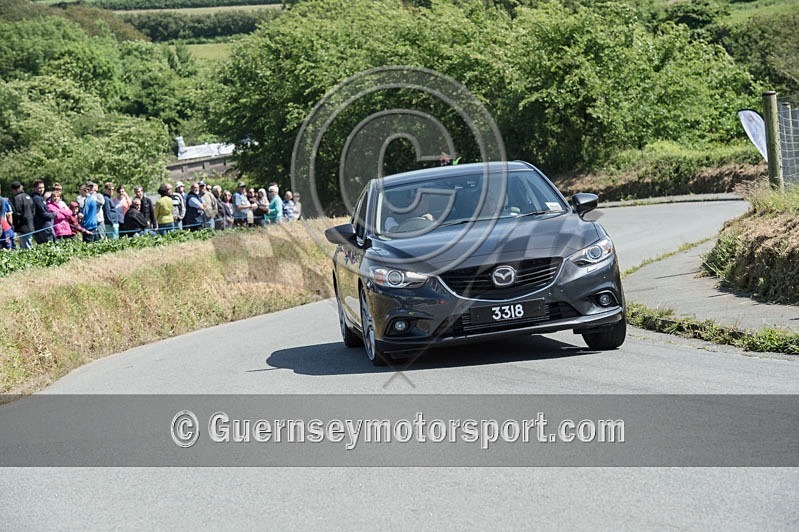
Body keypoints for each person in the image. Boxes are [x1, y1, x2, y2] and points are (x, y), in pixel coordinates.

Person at [11, 181, 35, 249]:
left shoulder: (17, 198)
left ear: (14, 189)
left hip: (22, 227)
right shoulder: (28, 196)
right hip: (30, 225)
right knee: (28, 243)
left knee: (26, 247)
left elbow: (17, 213)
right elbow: (33, 211)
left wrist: (15, 226)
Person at [31, 179, 55, 244]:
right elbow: (43, 213)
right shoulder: (37, 199)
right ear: (34, 188)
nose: (42, 189)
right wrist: (54, 214)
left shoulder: (36, 198)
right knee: (49, 246)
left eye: (43, 187)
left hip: (37, 227)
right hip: (43, 227)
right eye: (39, 188)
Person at [0, 183, 15, 250]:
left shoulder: (4, 200)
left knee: (7, 249)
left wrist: (11, 225)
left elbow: (9, 216)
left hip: (5, 230)